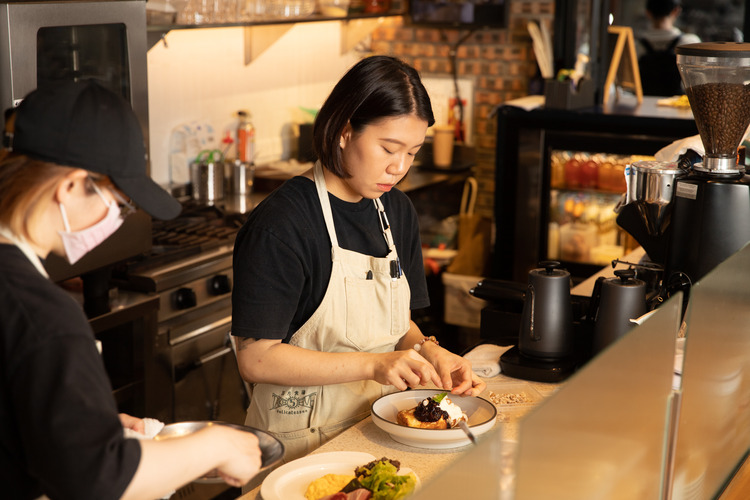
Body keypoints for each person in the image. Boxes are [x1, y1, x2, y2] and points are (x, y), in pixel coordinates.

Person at [0, 80, 263, 500]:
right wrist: (219, 443)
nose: (117, 218)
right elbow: (98, 480)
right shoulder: (44, 315)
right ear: (69, 186)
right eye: (117, 202)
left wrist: (86, 422)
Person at [231, 55, 486, 462]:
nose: (398, 167)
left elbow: (396, 325)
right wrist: (373, 366)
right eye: (388, 148)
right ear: (345, 131)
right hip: (300, 443)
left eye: (413, 153)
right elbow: (257, 359)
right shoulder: (282, 224)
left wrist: (429, 351)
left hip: (380, 429)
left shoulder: (396, 210)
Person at [637, 0, 701, 96]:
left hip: (643, 104)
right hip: (676, 107)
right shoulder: (689, 43)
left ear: (647, 13)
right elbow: (697, 83)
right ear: (676, 11)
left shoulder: (635, 46)